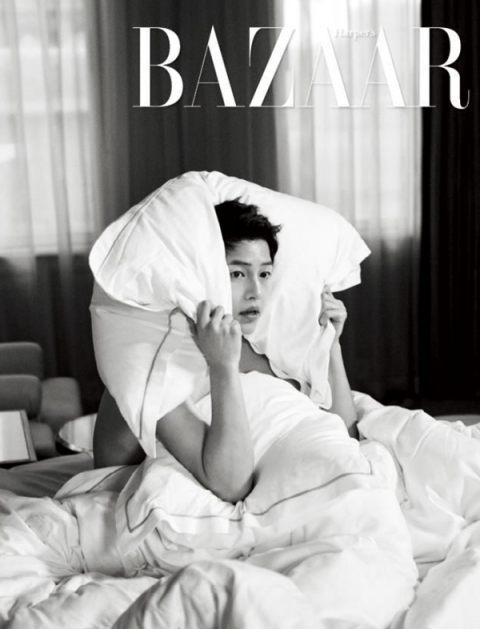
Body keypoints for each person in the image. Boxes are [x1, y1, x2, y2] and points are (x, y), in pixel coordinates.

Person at [93, 199, 358, 503]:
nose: (255, 292)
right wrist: (222, 366)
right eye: (237, 274)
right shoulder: (157, 357)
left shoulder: (258, 345)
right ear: (203, 273)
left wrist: (331, 345)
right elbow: (231, 484)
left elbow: (345, 436)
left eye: (264, 274)